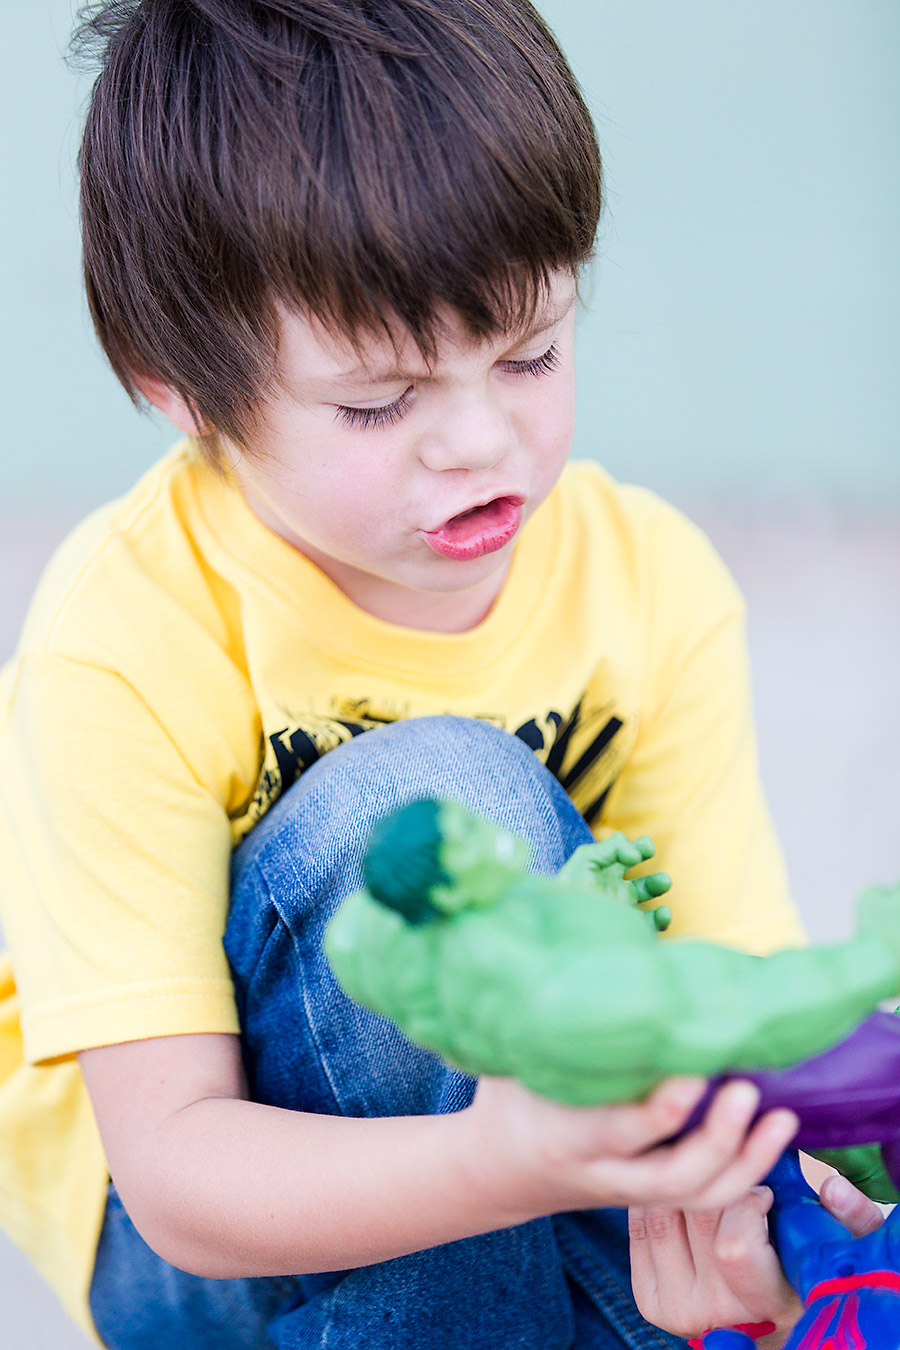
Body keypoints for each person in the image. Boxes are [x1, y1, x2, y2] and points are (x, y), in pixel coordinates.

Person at [0, 3, 882, 1347]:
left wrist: (761, 1224)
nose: (481, 441)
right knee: (438, 808)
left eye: (530, 350)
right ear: (179, 384)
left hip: (555, 1163)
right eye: (379, 401)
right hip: (227, 1240)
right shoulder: (126, 637)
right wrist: (507, 1162)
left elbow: (723, 1007)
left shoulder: (648, 584)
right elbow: (177, 1172)